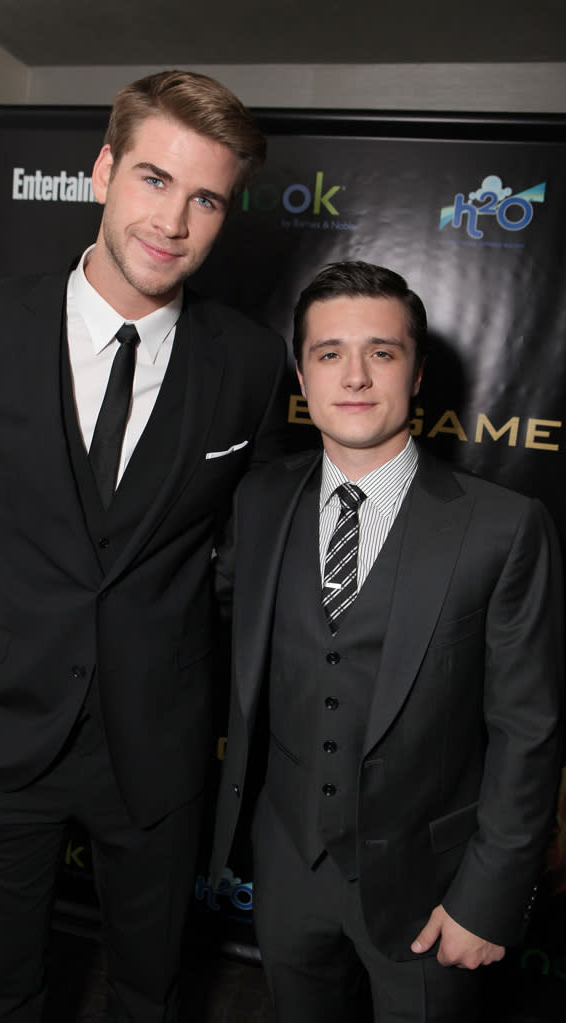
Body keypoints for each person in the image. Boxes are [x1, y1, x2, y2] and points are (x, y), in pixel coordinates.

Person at [0, 70, 287, 1023]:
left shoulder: (249, 362)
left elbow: (255, 552)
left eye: (206, 198)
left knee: (151, 989)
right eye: (155, 179)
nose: (173, 221)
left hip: (155, 746)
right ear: (104, 169)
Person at [209, 260, 564, 1022]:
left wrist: (487, 898)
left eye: (384, 351)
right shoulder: (260, 499)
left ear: (418, 370)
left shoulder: (503, 527)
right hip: (285, 868)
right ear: (302, 375)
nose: (357, 375)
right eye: (330, 352)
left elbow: (528, 731)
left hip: (432, 890)